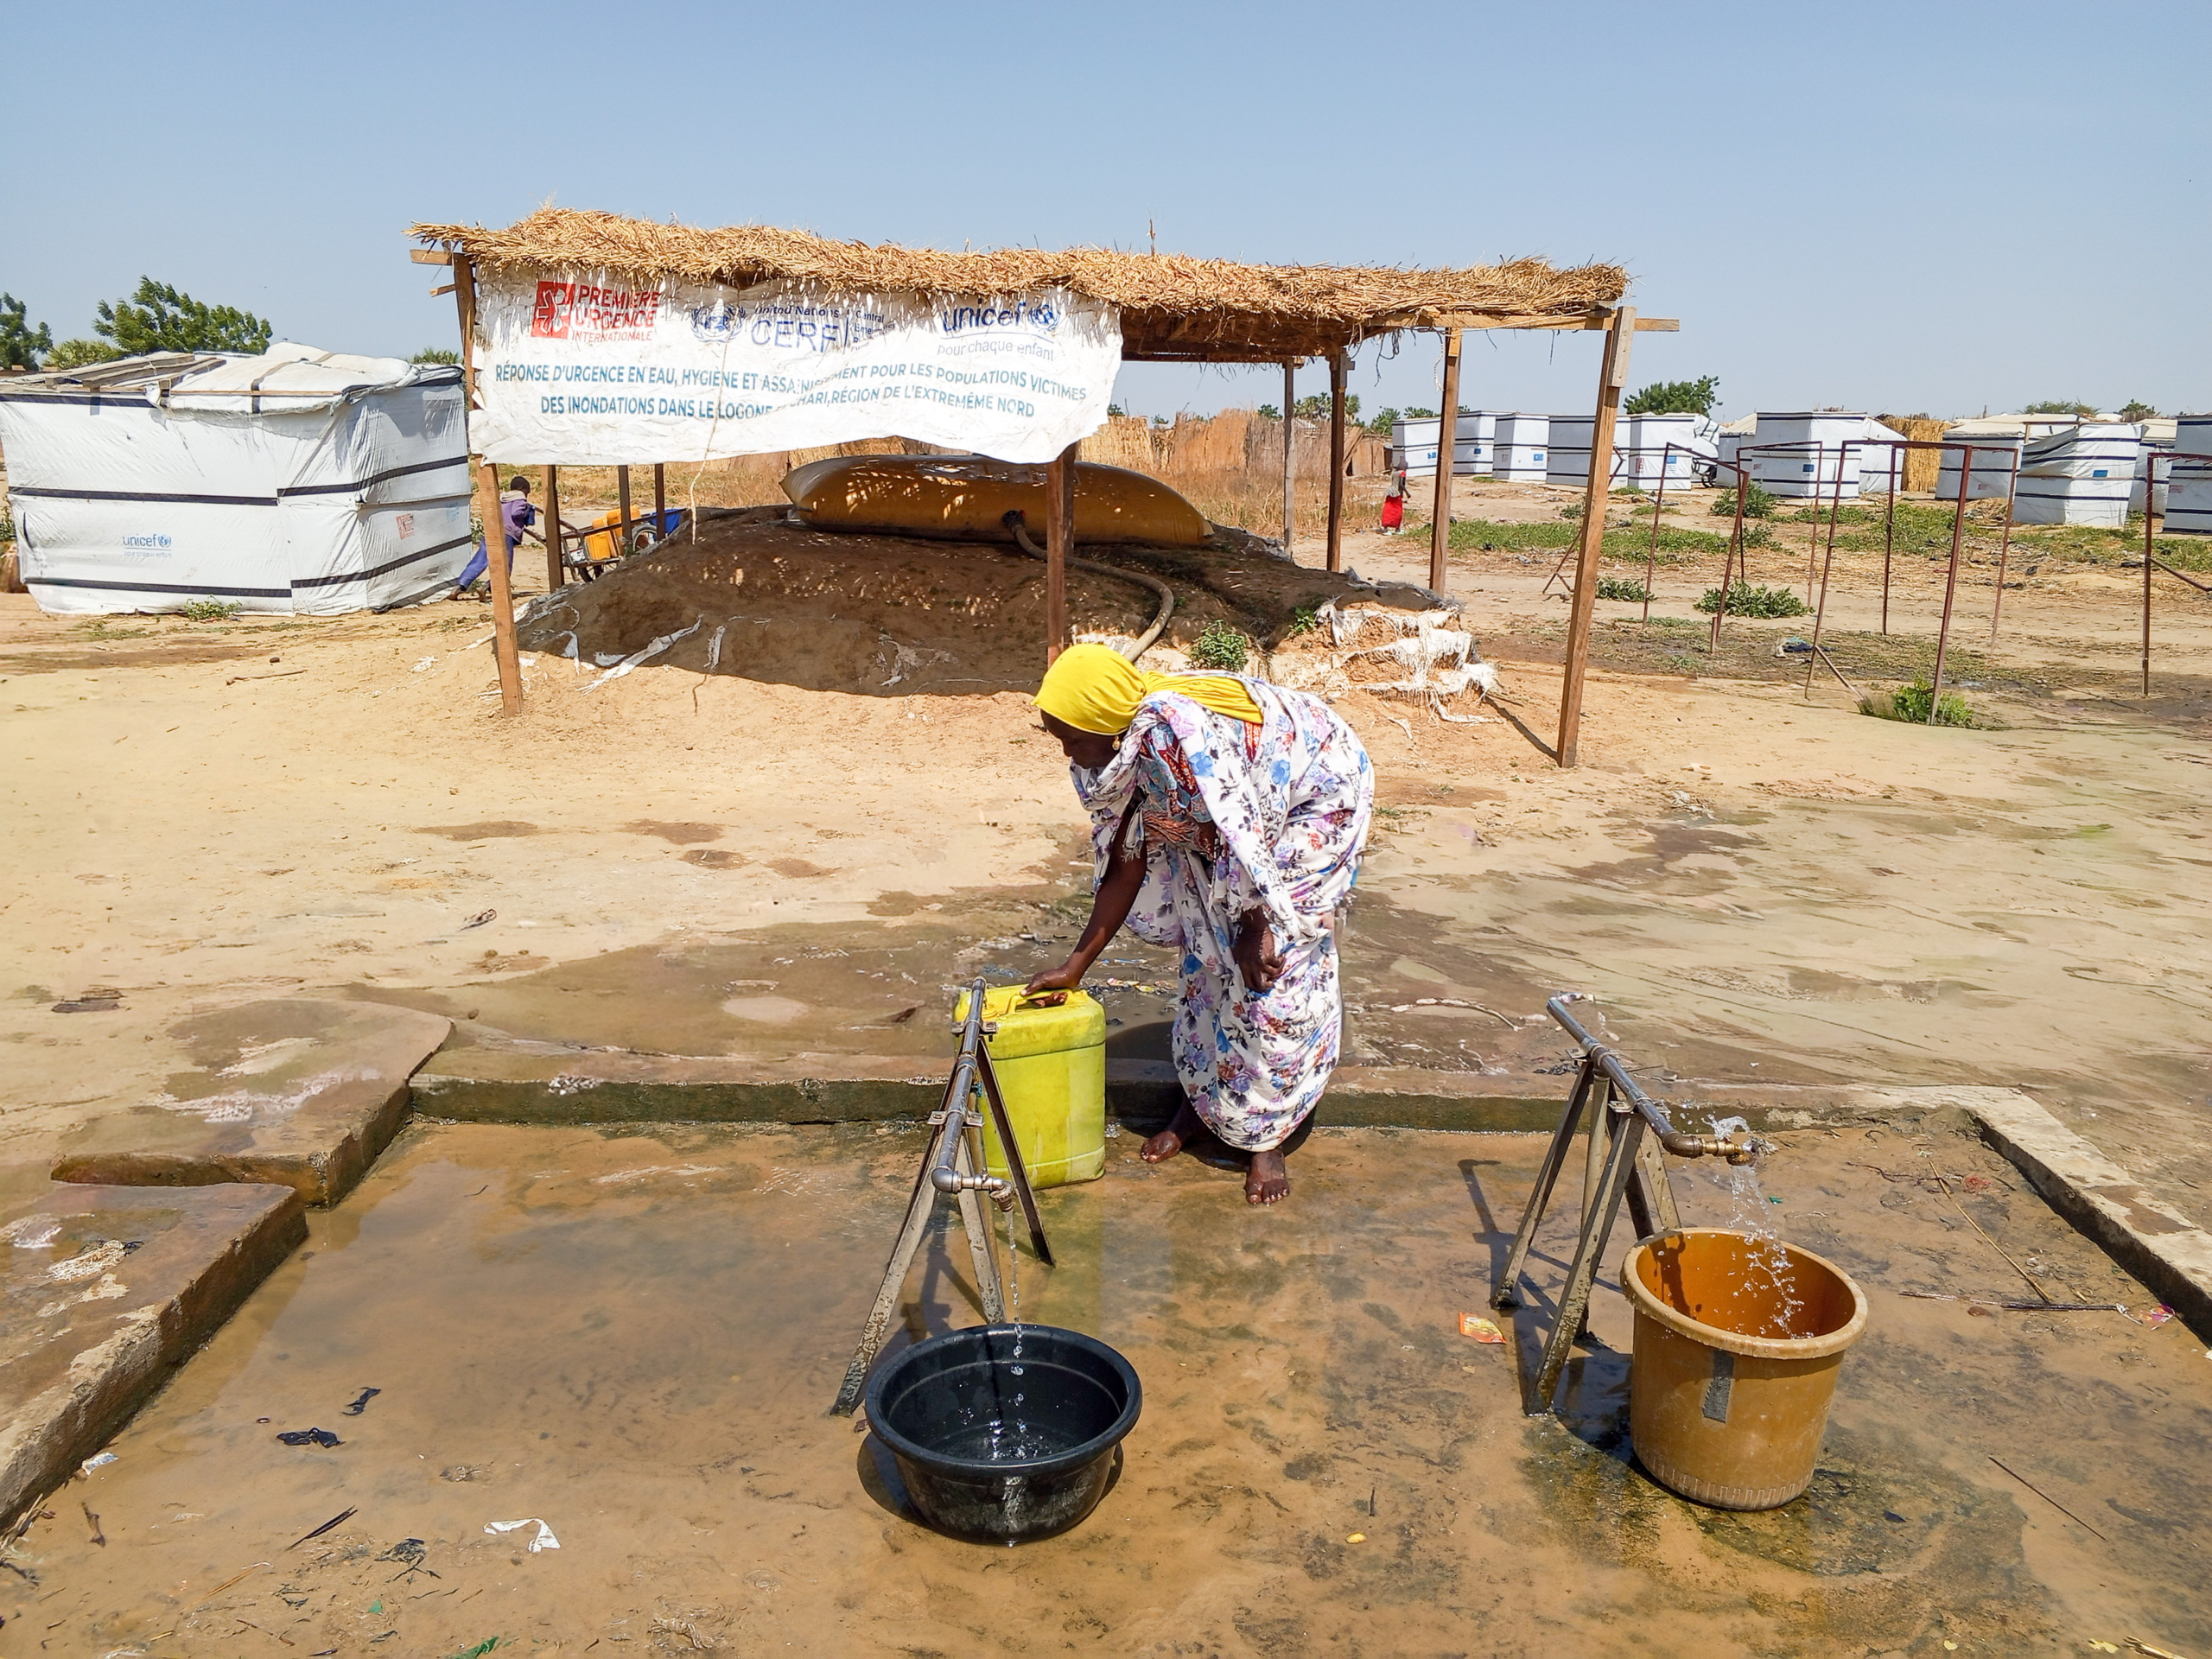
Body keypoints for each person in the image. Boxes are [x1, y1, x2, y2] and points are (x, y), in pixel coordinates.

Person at [1024, 644, 1373, 1205]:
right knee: (1206, 942)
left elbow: (1248, 831)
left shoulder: (1186, 744)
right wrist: (1075, 967)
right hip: (1234, 811)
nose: (1067, 751)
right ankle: (1202, 1104)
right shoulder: (1114, 750)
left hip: (1314, 794)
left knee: (1274, 969)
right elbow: (1126, 858)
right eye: (1057, 737)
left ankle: (1267, 1136)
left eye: (1073, 738)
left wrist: (1257, 923)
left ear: (1111, 727)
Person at [452, 476, 537, 598]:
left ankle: (458, 587)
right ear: (521, 489)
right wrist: (527, 511)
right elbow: (516, 513)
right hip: (506, 534)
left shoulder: (503, 498)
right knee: (505, 565)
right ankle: (486, 587)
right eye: (527, 491)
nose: (527, 494)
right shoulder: (519, 497)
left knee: (480, 561)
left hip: (492, 530)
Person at [1381, 467, 1408, 534]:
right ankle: (1397, 529)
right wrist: (1407, 493)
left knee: (1388, 509)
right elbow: (1401, 485)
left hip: (1390, 492)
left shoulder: (1394, 473)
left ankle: (1385, 528)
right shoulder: (1402, 473)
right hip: (1397, 494)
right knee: (1398, 511)